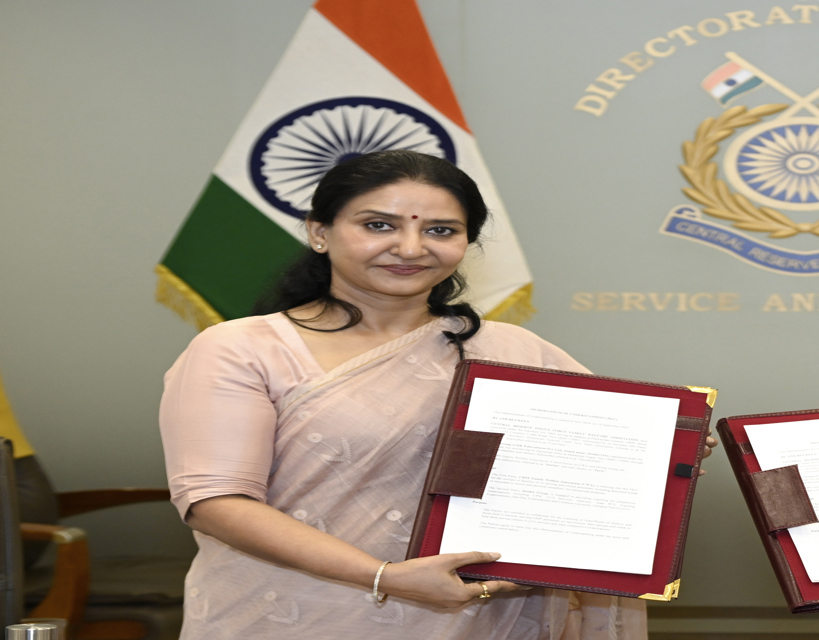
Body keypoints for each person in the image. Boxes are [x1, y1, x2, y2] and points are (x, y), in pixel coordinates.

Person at [161, 150, 664, 638]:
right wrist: (383, 576)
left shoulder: (514, 350)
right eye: (378, 225)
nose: (410, 248)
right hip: (293, 615)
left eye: (440, 230)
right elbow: (216, 501)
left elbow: (596, 459)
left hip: (484, 619)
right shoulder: (244, 348)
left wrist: (664, 452)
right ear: (319, 232)